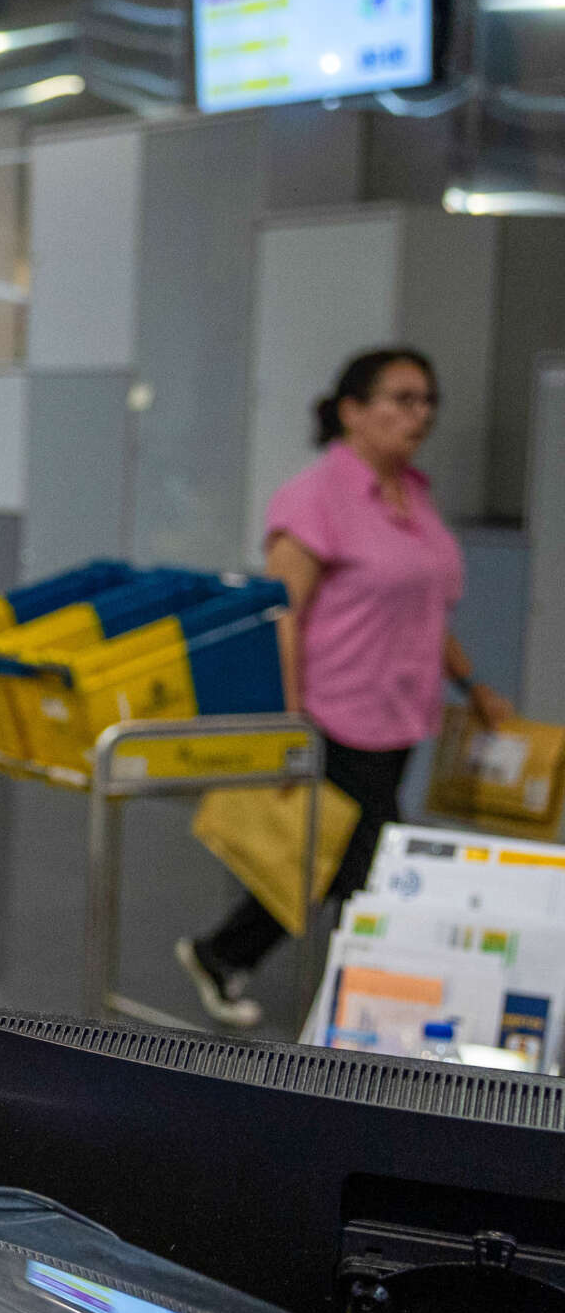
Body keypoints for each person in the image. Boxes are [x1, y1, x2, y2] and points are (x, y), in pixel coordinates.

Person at [178, 347, 510, 1028]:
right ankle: (365, 1015)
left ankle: (223, 953)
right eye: (402, 398)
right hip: (335, 712)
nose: (419, 414)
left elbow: (424, 610)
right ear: (353, 410)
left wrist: (472, 683)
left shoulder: (414, 494)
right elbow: (282, 615)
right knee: (368, 868)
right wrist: (290, 719)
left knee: (326, 861)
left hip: (401, 712)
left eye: (427, 401)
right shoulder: (315, 496)